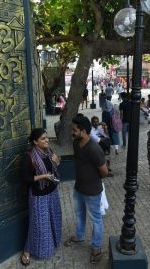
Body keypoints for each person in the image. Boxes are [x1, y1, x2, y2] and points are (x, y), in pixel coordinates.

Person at [65, 114, 108, 264]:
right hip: (79, 189)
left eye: (74, 130)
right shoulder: (76, 144)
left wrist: (91, 180)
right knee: (79, 214)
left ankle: (96, 247)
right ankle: (79, 235)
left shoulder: (94, 149)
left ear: (83, 131)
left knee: (96, 220)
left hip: (92, 192)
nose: (72, 132)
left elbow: (104, 172)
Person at [22, 128, 62, 266]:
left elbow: (54, 166)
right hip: (38, 195)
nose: (47, 140)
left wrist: (57, 161)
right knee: (38, 225)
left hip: (52, 192)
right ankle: (27, 250)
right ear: (35, 141)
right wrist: (43, 176)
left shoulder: (49, 152)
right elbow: (25, 178)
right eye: (43, 139)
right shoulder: (29, 156)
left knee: (53, 219)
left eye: (47, 138)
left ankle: (53, 244)